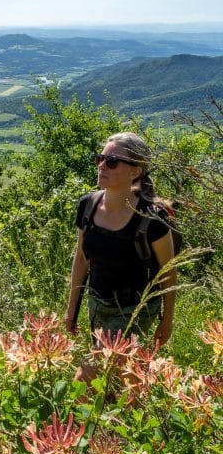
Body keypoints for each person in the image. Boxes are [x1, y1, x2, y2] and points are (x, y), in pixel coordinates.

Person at [65, 132, 177, 363]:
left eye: (112, 161)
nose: (102, 166)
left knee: (89, 373)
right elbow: (82, 259)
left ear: (135, 171)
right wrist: (71, 308)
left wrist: (167, 321)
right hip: (97, 305)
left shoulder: (152, 218)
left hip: (135, 310)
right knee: (120, 384)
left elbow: (169, 271)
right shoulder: (88, 205)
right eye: (100, 159)